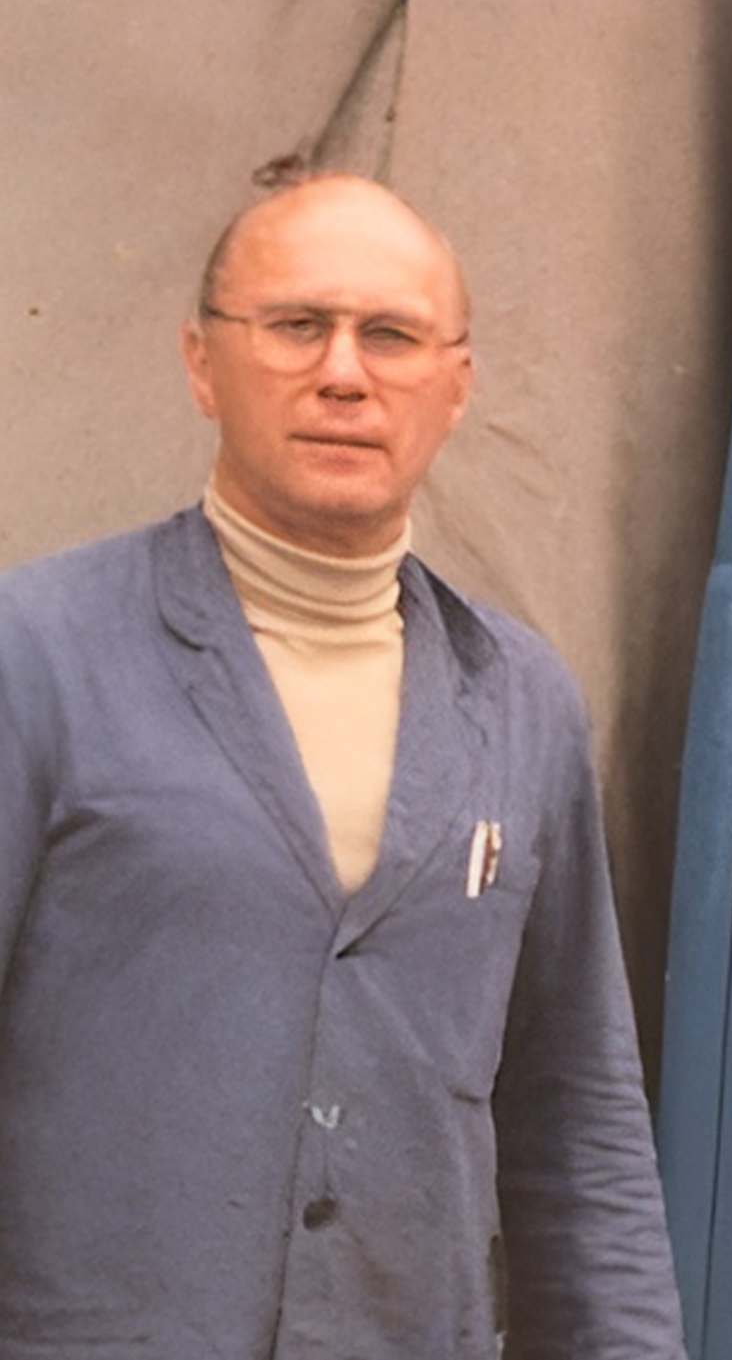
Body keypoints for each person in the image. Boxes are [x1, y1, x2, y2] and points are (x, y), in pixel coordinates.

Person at [0, 175, 684, 1358]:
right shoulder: (40, 653)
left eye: (392, 336)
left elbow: (578, 1120)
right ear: (201, 362)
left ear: (457, 385)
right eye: (297, 325)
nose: (344, 374)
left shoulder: (520, 699)